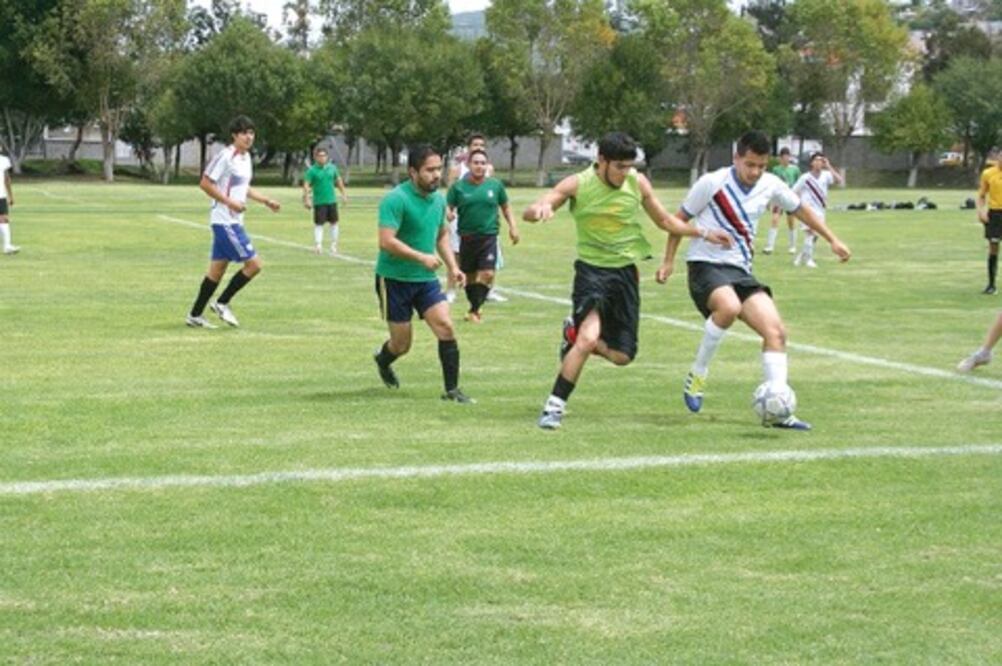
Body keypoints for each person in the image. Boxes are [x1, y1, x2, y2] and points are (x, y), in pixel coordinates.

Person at [523, 132, 733, 430]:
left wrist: (703, 232)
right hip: (591, 273)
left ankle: (572, 334)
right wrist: (539, 210)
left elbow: (665, 221)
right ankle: (553, 407)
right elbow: (534, 209)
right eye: (619, 166)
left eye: (629, 166)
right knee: (588, 338)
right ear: (601, 161)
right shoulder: (578, 184)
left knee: (623, 356)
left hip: (624, 275)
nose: (625, 173)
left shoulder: (638, 182)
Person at [657, 130, 851, 430]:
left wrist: (833, 240)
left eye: (761, 166)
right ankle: (698, 373)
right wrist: (668, 261)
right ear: (736, 158)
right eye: (750, 165)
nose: (755, 172)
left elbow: (801, 210)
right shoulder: (711, 182)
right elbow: (677, 221)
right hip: (705, 265)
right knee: (729, 308)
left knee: (776, 333)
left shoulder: (771, 184)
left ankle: (780, 409)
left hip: (740, 271)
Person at [373, 144, 473, 403]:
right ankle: (383, 359)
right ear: (413, 172)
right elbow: (386, 241)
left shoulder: (439, 200)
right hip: (394, 279)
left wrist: (453, 267)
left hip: (425, 280)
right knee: (401, 345)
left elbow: (441, 235)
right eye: (429, 170)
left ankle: (452, 391)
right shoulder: (396, 199)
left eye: (438, 169)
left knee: (445, 326)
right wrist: (421, 257)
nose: (436, 175)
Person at [186, 115, 280, 329]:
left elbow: (243, 187)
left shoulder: (245, 158)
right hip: (225, 222)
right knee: (254, 265)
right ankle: (222, 302)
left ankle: (195, 315)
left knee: (216, 272)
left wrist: (266, 200)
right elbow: (205, 183)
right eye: (244, 133)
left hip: (233, 221)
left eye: (251, 133)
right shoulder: (226, 156)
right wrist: (230, 202)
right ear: (234, 135)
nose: (249, 137)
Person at [446, 148, 520, 323]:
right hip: (466, 237)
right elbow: (448, 206)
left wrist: (513, 227)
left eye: (482, 163)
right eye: (476, 163)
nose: (479, 166)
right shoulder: (459, 187)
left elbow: (506, 207)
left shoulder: (495, 185)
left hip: (488, 237)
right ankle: (474, 309)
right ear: (469, 165)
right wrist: (448, 213)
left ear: (486, 166)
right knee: (470, 278)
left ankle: (475, 309)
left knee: (488, 274)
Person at [791, 152, 843, 268]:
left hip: (820, 210)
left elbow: (840, 181)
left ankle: (801, 257)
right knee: (811, 233)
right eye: (816, 160)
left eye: (821, 160)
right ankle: (808, 260)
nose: (819, 162)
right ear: (811, 163)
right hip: (807, 210)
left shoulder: (826, 175)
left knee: (814, 236)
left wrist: (829, 166)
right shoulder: (805, 178)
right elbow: (793, 191)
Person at [302, 146, 348, 255]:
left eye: (324, 156)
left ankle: (334, 245)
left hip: (331, 201)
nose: (322, 158)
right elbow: (306, 185)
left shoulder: (332, 168)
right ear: (316, 157)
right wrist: (306, 199)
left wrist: (343, 194)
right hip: (319, 202)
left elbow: (338, 181)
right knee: (319, 224)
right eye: (320, 156)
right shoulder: (312, 171)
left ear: (327, 157)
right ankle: (318, 245)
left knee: (334, 223)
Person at [762, 147, 800, 255]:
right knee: (774, 219)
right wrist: (769, 201)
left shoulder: (795, 169)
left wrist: (798, 198)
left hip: (790, 198)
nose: (785, 159)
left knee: (791, 221)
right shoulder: (776, 170)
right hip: (778, 199)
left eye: (787, 157)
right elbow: (771, 186)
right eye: (783, 157)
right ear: (780, 158)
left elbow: (798, 184)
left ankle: (792, 246)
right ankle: (769, 246)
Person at [976, 149, 1002, 295]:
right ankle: (991, 284)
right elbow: (981, 195)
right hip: (995, 214)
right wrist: (981, 211)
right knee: (993, 246)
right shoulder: (988, 173)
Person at [0, 151, 19, 255]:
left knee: (4, 219)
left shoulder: (4, 160)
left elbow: (7, 179)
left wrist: (10, 196)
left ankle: (7, 246)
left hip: (1, 195)